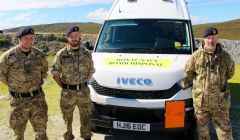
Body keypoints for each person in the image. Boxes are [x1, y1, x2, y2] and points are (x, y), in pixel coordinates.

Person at [182, 27, 235, 140]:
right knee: (203, 134)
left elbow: (230, 74)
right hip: (201, 103)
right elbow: (188, 75)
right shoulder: (196, 56)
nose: (211, 41)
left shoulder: (225, 57)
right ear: (204, 39)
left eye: (214, 38)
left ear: (217, 38)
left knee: (225, 134)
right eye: (209, 38)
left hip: (220, 104)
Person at [0, 26, 49, 140]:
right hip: (18, 101)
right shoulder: (8, 56)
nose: (29, 41)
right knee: (18, 135)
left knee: (41, 133)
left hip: (38, 99)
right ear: (19, 39)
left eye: (32, 38)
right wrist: (16, 87)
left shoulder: (40, 55)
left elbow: (44, 72)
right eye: (26, 38)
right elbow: (1, 76)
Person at [51, 26, 95, 140]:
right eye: (72, 36)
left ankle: (86, 137)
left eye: (76, 35)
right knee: (67, 118)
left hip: (84, 92)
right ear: (67, 38)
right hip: (67, 93)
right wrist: (65, 86)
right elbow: (55, 74)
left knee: (86, 117)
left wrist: (83, 83)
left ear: (80, 36)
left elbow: (91, 70)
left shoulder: (87, 53)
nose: (74, 38)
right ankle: (68, 137)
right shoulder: (61, 54)